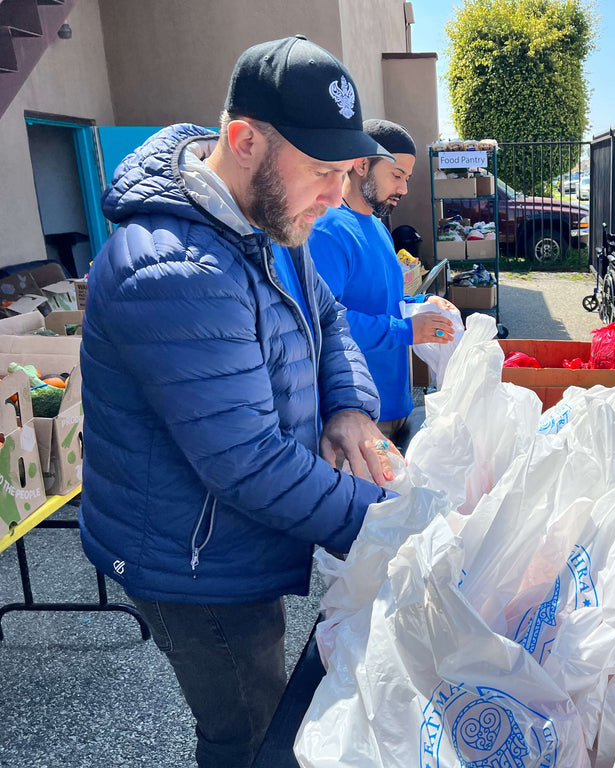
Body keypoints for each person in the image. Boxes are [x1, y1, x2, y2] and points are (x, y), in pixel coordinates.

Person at [78, 36, 402, 767]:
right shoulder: (171, 268)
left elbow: (327, 317)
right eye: (321, 170)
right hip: (193, 562)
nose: (336, 195)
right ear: (245, 141)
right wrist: (396, 524)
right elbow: (247, 461)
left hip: (238, 529)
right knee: (249, 731)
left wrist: (349, 407)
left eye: (345, 173)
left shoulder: (268, 217)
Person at [309, 119, 456, 437]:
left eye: (407, 178)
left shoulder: (377, 227)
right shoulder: (327, 230)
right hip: (358, 416)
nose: (404, 189)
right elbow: (324, 325)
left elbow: (383, 299)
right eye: (396, 175)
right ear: (361, 164)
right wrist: (407, 330)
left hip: (395, 405)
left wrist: (423, 302)